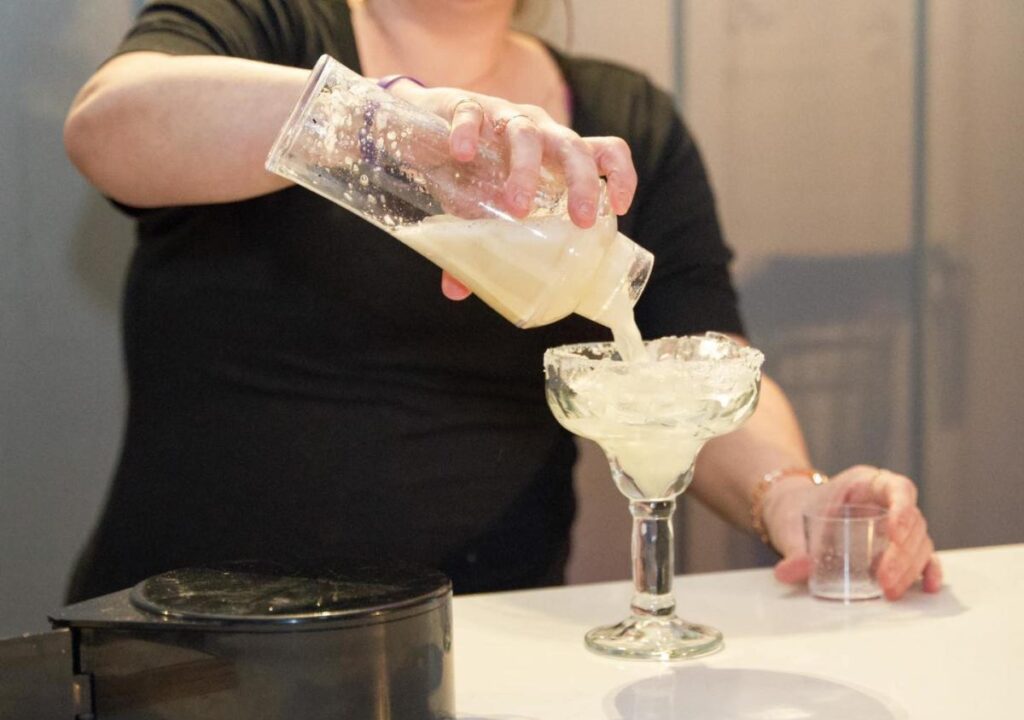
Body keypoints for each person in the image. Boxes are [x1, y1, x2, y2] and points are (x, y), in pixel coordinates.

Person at [62, 0, 941, 603]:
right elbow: (109, 129)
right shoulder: (268, 22)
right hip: (189, 642)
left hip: (480, 654)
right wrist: (398, 127)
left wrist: (791, 496)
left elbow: (689, 362)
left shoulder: (624, 118)